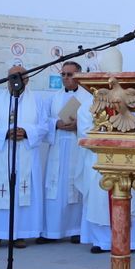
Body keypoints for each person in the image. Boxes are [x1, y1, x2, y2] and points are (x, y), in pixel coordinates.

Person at [0, 65, 52, 249]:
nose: (17, 80)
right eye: (13, 76)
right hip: (2, 154)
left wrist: (26, 132)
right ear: (7, 79)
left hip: (26, 153)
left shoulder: (37, 102)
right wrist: (6, 133)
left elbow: (44, 126)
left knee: (22, 193)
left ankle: (19, 234)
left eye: (21, 76)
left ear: (27, 79)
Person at [75, 48, 135, 253]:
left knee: (132, 197)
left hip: (128, 158)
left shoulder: (132, 99)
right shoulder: (88, 104)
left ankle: (134, 241)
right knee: (99, 200)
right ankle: (102, 240)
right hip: (99, 159)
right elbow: (86, 132)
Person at [42, 60, 86, 243]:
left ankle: (75, 230)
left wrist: (79, 125)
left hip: (77, 146)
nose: (66, 78)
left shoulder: (87, 97)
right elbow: (44, 121)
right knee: (55, 189)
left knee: (75, 186)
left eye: (70, 75)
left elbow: (93, 122)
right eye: (64, 75)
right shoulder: (53, 98)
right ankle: (51, 231)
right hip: (58, 146)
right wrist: (56, 124)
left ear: (79, 76)